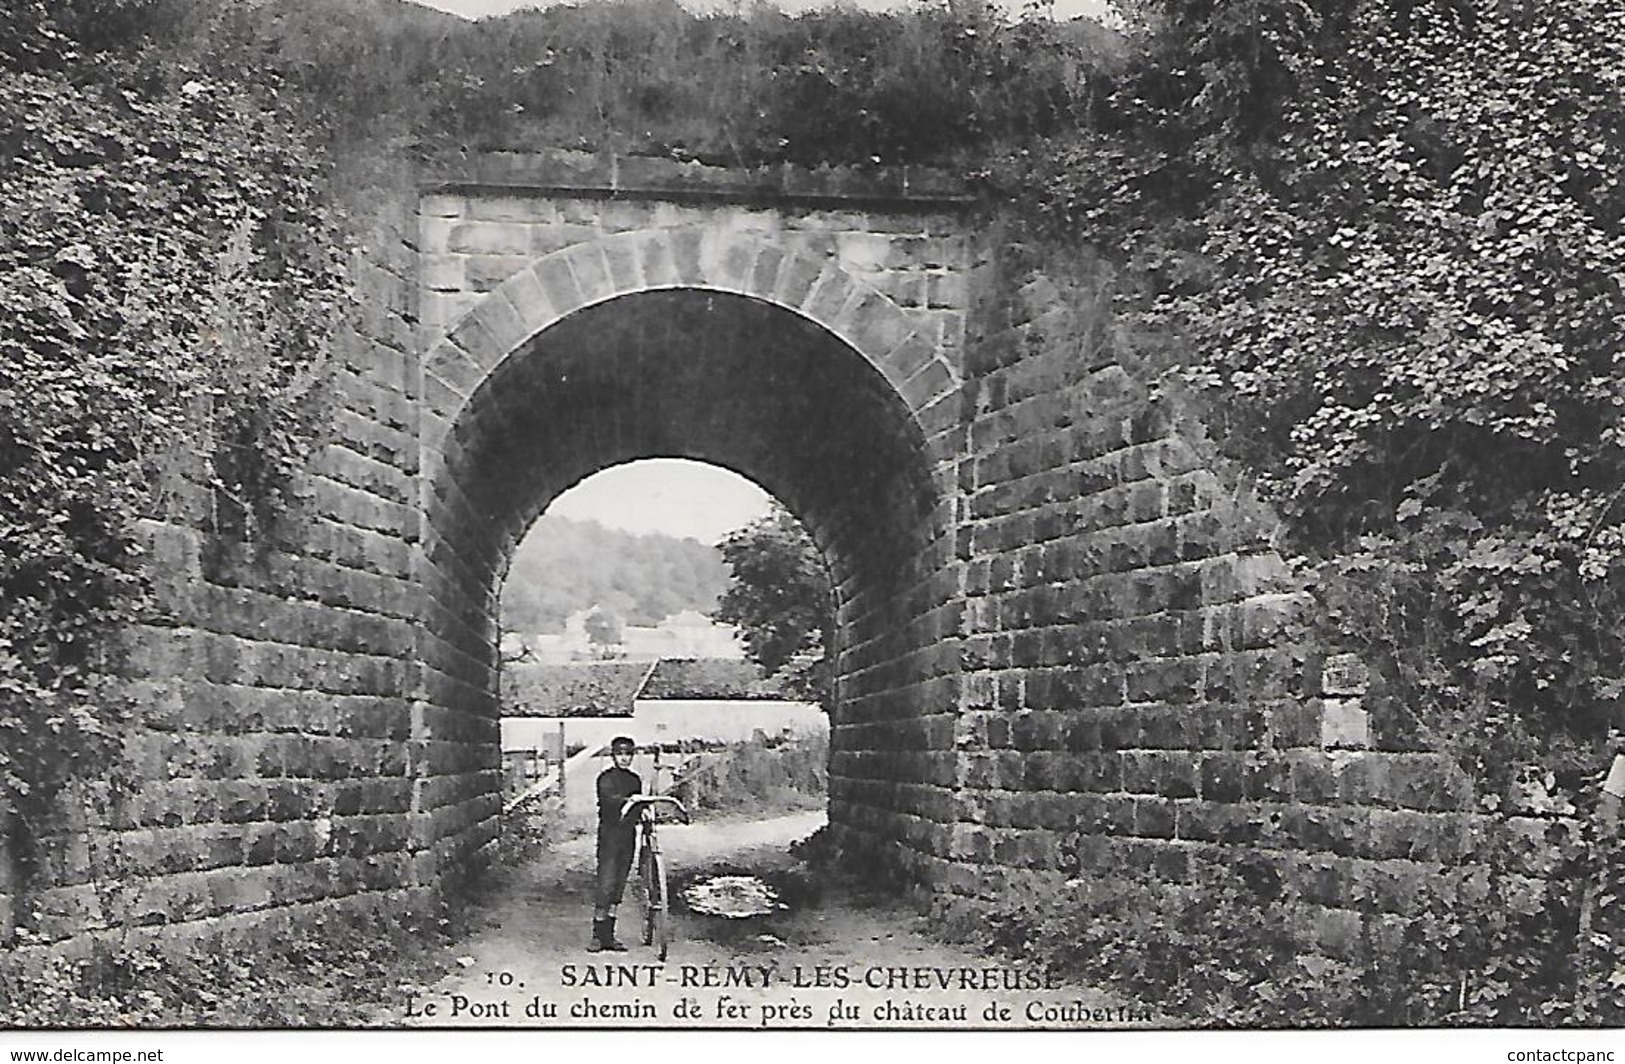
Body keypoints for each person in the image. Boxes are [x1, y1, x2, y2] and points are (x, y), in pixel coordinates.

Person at [589, 735, 642, 952]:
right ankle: (597, 936)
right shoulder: (605, 778)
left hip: (628, 836)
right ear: (613, 756)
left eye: (628, 754)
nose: (624, 758)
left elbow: (637, 809)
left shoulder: (635, 780)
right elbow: (609, 800)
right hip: (610, 835)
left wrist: (641, 809)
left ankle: (609, 937)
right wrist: (629, 801)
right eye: (620, 754)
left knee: (619, 884)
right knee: (606, 883)